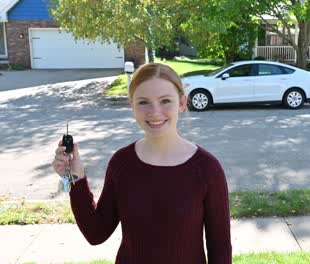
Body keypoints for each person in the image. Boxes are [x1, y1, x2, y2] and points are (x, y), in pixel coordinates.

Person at [52, 63, 232, 263]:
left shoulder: (206, 169)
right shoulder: (122, 163)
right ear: (132, 105)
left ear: (181, 103)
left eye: (165, 101)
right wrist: (76, 178)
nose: (155, 112)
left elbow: (220, 249)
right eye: (144, 102)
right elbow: (96, 233)